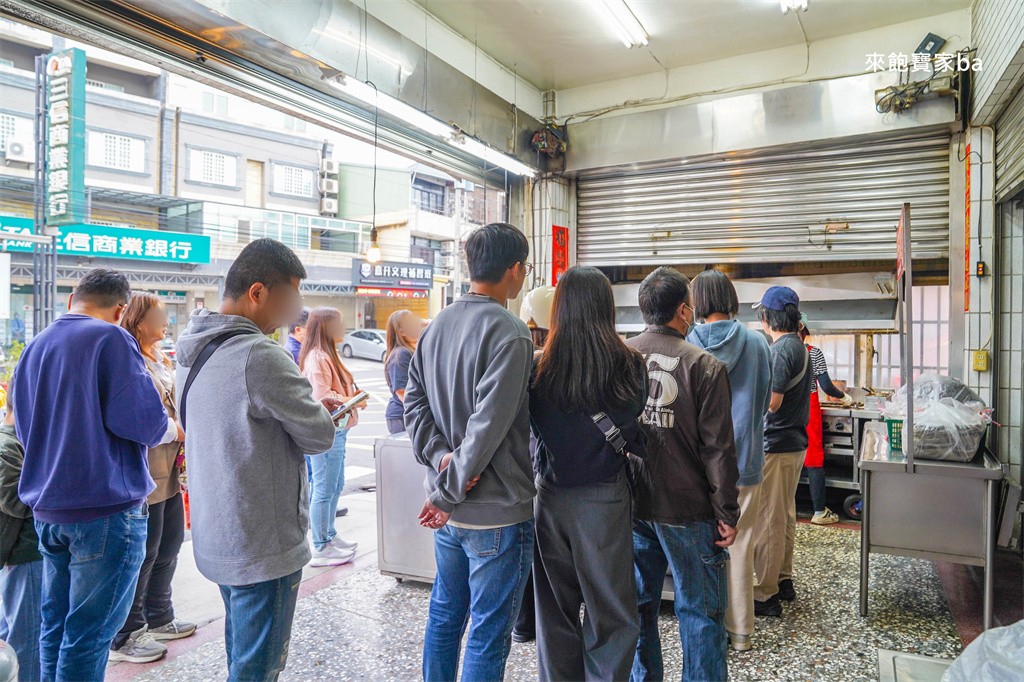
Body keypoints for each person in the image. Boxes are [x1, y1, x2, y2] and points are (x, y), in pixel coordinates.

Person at [174, 239, 340, 681]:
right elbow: (319, 435)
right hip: (261, 545)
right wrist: (325, 414)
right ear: (259, 293)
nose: (298, 309)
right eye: (293, 295)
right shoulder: (259, 354)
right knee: (257, 669)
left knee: (242, 656)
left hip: (219, 534)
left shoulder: (191, 349)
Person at [11, 268, 177, 682]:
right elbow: (144, 422)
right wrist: (172, 426)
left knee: (56, 626)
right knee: (89, 636)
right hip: (104, 510)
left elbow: (19, 424)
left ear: (73, 298)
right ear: (122, 310)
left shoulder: (36, 345)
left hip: (48, 509)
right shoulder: (111, 338)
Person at [405, 222, 536, 682]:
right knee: (487, 631)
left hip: (450, 515)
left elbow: (413, 401)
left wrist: (441, 461)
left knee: (444, 616)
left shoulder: (436, 323)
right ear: (515, 270)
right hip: (495, 513)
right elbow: (488, 426)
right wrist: (449, 486)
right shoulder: (512, 333)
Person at [530, 267, 646, 681]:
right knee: (611, 613)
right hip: (605, 499)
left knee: (555, 611)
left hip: (551, 497)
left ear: (559, 309)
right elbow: (631, 427)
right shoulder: (631, 365)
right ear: (606, 308)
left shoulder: (537, 368)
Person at [625, 266, 740, 682]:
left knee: (639, 606)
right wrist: (727, 511)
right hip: (689, 510)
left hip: (634, 503)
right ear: (682, 310)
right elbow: (718, 450)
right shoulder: (704, 365)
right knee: (701, 613)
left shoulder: (622, 356)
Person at [687, 270, 773, 653]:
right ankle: (740, 631)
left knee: (703, 547)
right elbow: (765, 400)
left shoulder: (688, 342)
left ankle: (707, 625)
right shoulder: (758, 343)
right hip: (747, 460)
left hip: (698, 465)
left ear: (697, 302)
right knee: (742, 544)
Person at [111, 293, 195, 663]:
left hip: (169, 470)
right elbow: (142, 419)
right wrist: (177, 430)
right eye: (159, 316)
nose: (166, 323)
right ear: (138, 320)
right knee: (142, 555)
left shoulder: (160, 357)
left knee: (169, 544)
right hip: (145, 471)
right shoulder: (130, 361)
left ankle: (160, 616)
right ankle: (127, 633)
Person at [751, 286, 814, 618]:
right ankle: (783, 579)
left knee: (768, 519)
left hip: (776, 446)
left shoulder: (780, 350)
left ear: (767, 317)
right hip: (794, 445)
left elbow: (773, 402)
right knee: (785, 515)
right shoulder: (799, 346)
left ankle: (765, 593)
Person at [300, 307, 365, 567]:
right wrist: (352, 400)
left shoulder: (327, 355)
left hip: (338, 430)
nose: (342, 327)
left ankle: (329, 536)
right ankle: (321, 545)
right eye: (337, 323)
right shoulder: (317, 358)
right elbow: (321, 397)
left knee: (334, 486)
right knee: (324, 489)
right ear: (324, 327)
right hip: (328, 431)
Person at [511, 284, 555, 646]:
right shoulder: (543, 360)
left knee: (530, 555)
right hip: (543, 469)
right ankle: (530, 623)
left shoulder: (524, 356)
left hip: (525, 467)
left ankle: (525, 624)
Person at [0, 399, 42, 682]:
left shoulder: (19, 441)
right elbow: (14, 499)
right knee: (25, 636)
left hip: (27, 552)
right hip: (23, 554)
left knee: (16, 632)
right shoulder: (6, 446)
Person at [798, 323, 852, 526]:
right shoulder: (813, 353)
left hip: (785, 407)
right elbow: (827, 385)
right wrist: (843, 396)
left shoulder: (776, 351)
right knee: (813, 459)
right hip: (808, 407)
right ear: (804, 332)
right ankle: (819, 511)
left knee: (785, 457)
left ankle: (787, 508)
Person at [383, 309, 422, 435]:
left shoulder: (409, 350)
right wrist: (420, 414)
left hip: (405, 415)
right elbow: (401, 391)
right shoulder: (401, 354)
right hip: (402, 416)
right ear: (401, 331)